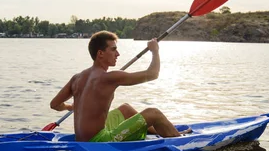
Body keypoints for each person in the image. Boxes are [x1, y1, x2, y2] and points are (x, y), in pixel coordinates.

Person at [49, 31, 189, 142]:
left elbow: (55, 104)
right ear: (100, 53)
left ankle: (158, 131)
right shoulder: (110, 77)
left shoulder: (77, 78)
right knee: (153, 113)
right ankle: (178, 139)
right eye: (113, 49)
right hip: (99, 142)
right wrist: (154, 50)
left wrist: (69, 107)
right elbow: (153, 74)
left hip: (81, 139)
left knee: (125, 109)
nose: (118, 54)